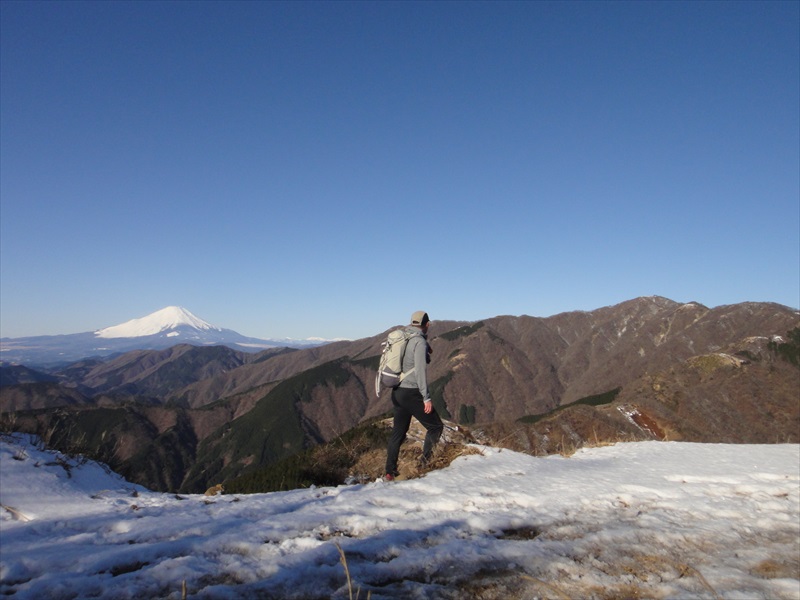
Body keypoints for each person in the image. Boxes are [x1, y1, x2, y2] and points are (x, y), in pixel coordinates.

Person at [384, 311, 444, 481]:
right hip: (411, 392)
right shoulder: (419, 342)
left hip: (397, 391)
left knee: (398, 433)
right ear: (427, 324)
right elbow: (420, 372)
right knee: (436, 427)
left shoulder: (405, 336)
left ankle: (390, 472)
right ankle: (425, 465)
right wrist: (426, 397)